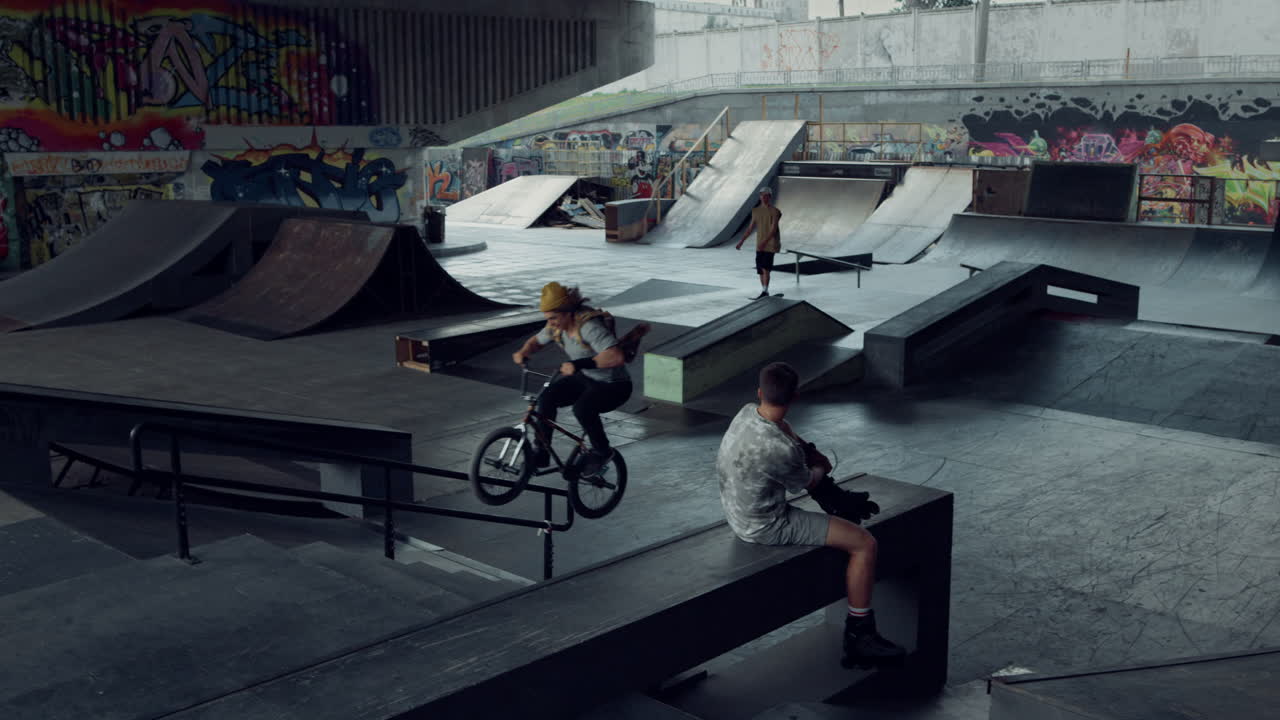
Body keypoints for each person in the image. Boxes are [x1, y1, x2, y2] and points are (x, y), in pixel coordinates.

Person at [715, 361, 905, 667]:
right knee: (864, 544)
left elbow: (783, 431)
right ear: (796, 397)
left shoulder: (747, 411)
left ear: (760, 392)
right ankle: (859, 636)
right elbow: (806, 481)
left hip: (736, 510)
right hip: (764, 525)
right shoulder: (779, 450)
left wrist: (814, 461)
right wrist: (819, 466)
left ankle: (836, 501)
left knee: (824, 490)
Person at [512, 282, 633, 474]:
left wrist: (578, 365)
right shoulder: (556, 326)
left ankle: (602, 451)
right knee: (545, 398)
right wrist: (524, 351)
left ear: (568, 312)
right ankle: (541, 451)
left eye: (553, 317)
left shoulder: (589, 327)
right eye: (547, 318)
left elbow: (616, 356)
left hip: (614, 386)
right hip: (586, 378)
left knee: (583, 409)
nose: (550, 322)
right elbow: (536, 341)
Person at [735, 186, 782, 299]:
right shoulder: (755, 211)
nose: (764, 197)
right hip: (760, 245)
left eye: (766, 195)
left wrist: (764, 242)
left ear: (770, 197)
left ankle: (765, 291)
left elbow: (773, 229)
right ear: (760, 197)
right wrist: (741, 241)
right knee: (760, 269)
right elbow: (750, 228)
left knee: (766, 268)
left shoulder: (775, 211)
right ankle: (764, 291)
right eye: (762, 195)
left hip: (771, 244)